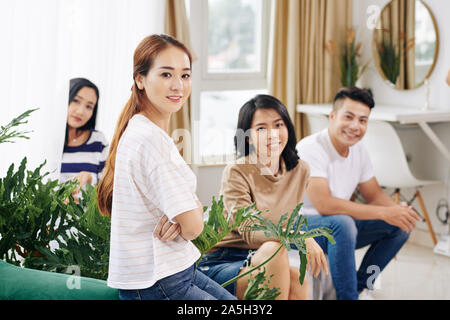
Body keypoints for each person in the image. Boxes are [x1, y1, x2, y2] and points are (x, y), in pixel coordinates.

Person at [96, 34, 235, 300]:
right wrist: (188, 213)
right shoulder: (150, 140)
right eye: (166, 75)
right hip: (157, 280)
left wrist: (183, 215)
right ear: (140, 79)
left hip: (177, 269)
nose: (178, 86)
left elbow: (186, 219)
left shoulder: (142, 129)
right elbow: (194, 227)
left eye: (185, 75)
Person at [197, 94, 328, 300]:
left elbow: (284, 221)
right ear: (248, 137)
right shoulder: (237, 171)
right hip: (222, 261)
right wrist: (299, 236)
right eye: (261, 128)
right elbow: (249, 230)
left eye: (278, 125)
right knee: (275, 250)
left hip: (264, 257)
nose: (272, 134)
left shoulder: (301, 170)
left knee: (296, 279)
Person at [296, 86, 421, 300]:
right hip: (301, 228)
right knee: (342, 223)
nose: (355, 126)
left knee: (400, 225)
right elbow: (324, 205)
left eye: (363, 120)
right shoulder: (310, 148)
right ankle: (348, 297)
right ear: (333, 116)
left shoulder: (359, 150)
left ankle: (360, 288)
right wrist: (382, 213)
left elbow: (374, 194)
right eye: (349, 117)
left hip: (337, 227)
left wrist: (397, 211)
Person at [60, 77, 109, 197]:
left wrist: (89, 179)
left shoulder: (98, 142)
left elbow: (107, 190)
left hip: (85, 215)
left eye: (89, 106)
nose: (81, 111)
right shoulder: (47, 140)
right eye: (76, 100)